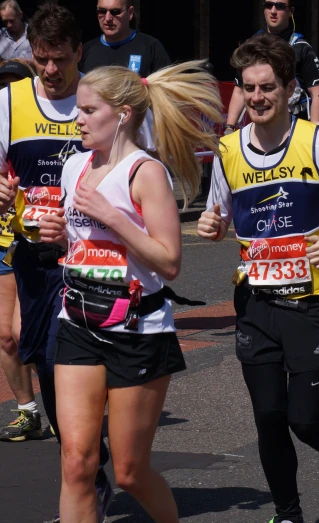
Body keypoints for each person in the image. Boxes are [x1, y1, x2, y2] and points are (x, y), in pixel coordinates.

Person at [197, 34, 319, 523]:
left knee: (305, 419)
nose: (256, 97)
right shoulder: (228, 151)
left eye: (267, 87)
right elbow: (218, 217)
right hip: (256, 303)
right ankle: (287, 513)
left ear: (290, 89)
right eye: (248, 87)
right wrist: (211, 225)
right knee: (269, 419)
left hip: (313, 302)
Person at [37, 60, 219, 523]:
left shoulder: (145, 172)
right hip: (77, 321)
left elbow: (169, 262)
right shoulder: (75, 165)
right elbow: (80, 242)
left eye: (87, 109)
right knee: (77, 463)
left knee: (130, 473)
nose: (76, 118)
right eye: (77, 109)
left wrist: (114, 216)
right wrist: (57, 233)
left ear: (120, 114)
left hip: (137, 329)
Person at [0, 5, 115, 520]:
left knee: (92, 364)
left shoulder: (101, 96)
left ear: (78, 53)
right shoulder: (8, 102)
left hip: (96, 257)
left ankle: (88, 464)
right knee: (47, 365)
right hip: (35, 259)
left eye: (59, 60)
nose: (49, 71)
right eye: (40, 61)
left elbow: (138, 161)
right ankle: (87, 464)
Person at [0, 55, 37, 443]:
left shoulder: (32, 133)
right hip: (0, 243)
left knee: (28, 332)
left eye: (12, 85)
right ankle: (28, 411)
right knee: (5, 336)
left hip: (30, 242)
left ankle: (67, 402)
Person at [225, 0, 319, 129]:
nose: (273, 11)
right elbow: (239, 90)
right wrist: (229, 127)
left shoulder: (302, 48)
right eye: (268, 5)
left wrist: (315, 132)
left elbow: (318, 93)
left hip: (296, 128)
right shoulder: (250, 46)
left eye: (280, 6)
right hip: (262, 129)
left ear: (291, 12)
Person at [80, 0, 171, 76]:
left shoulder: (151, 47)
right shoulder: (86, 50)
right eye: (102, 11)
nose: (107, 18)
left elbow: (168, 89)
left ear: (130, 13)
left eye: (115, 12)